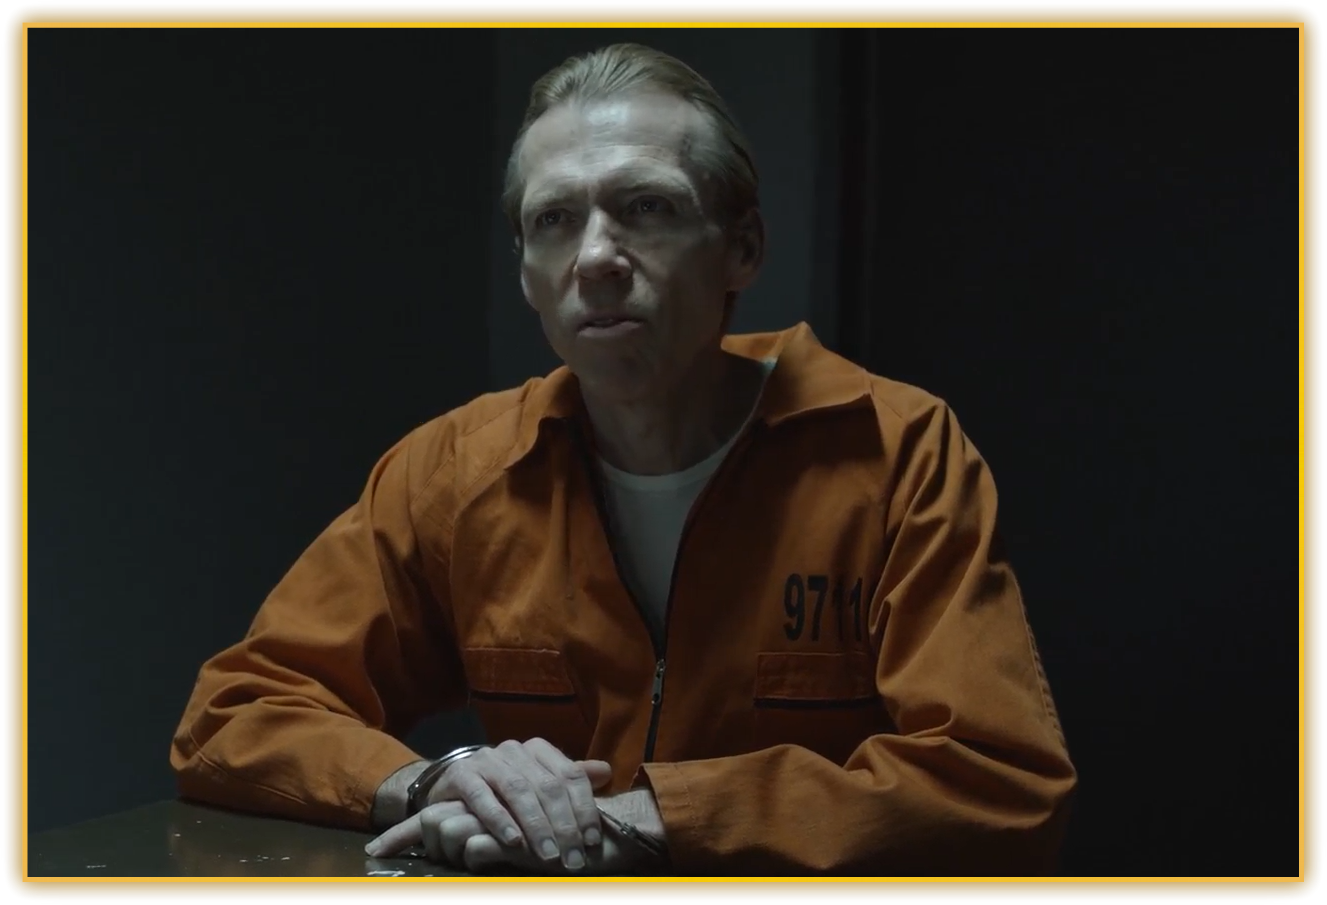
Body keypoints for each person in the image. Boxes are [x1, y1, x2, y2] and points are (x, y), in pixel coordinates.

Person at [170, 42, 1077, 876]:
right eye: (555, 220)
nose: (596, 256)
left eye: (646, 207)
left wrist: (642, 818)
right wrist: (441, 779)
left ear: (742, 248)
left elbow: (994, 780)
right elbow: (235, 716)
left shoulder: (895, 449)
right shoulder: (455, 469)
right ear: (526, 274)